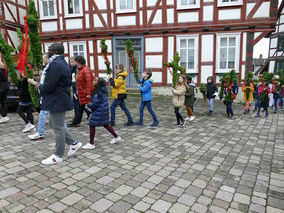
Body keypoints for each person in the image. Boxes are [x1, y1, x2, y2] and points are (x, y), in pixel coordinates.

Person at [38, 43, 81, 165]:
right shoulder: (62, 62)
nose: (48, 52)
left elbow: (49, 85)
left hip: (57, 100)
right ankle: (74, 143)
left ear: (55, 52)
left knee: (58, 128)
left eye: (50, 50)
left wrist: (39, 85)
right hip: (59, 99)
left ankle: (58, 155)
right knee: (54, 123)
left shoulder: (56, 65)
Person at [82, 78, 121, 149]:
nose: (93, 81)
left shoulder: (98, 92)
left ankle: (91, 144)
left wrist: (88, 104)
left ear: (98, 84)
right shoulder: (102, 90)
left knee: (92, 125)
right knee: (105, 124)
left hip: (99, 111)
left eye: (95, 81)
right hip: (103, 110)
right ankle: (116, 136)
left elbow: (95, 103)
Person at [28, 54, 49, 140]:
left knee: (44, 114)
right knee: (56, 118)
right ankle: (40, 133)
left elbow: (47, 84)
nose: (43, 59)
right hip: (45, 95)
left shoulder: (49, 69)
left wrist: (34, 83)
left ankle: (40, 133)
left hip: (48, 95)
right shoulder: (47, 68)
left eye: (44, 58)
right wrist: (38, 80)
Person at [68, 56, 94, 127]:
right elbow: (79, 82)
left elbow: (89, 82)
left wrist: (88, 93)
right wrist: (78, 91)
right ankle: (76, 122)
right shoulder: (80, 69)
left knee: (92, 107)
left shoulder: (85, 70)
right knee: (80, 107)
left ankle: (76, 122)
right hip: (82, 92)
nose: (74, 63)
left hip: (86, 93)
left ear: (79, 62)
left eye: (75, 61)